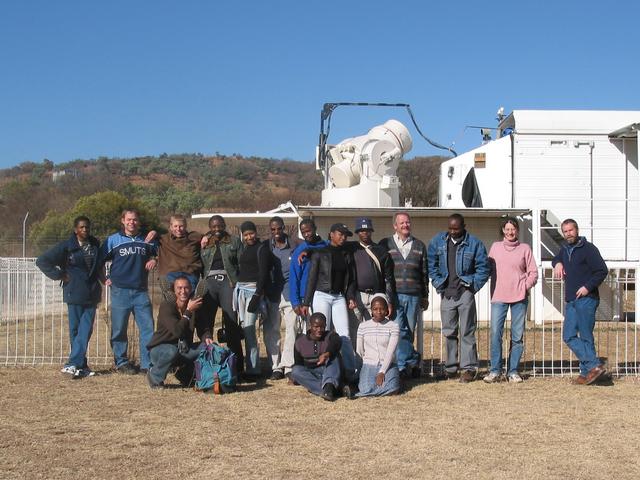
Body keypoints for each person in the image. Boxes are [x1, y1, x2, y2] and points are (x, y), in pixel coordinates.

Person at [36, 216, 102, 379]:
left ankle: (74, 364)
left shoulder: (95, 245)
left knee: (85, 330)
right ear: (75, 229)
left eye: (87, 227)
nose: (84, 230)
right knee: (75, 330)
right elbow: (42, 261)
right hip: (74, 292)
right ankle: (80, 366)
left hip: (92, 293)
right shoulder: (67, 246)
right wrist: (60, 275)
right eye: (81, 227)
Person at [428, 213, 489, 383]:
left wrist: (472, 286)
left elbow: (484, 268)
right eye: (450, 228)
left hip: (465, 293)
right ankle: (451, 368)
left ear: (464, 226)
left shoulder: (475, 243)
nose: (453, 232)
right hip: (447, 294)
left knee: (467, 332)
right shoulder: (438, 242)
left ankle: (468, 369)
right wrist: (439, 284)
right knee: (449, 333)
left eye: (456, 228)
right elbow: (431, 265)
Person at [552, 218, 608, 385]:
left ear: (577, 230)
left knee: (585, 336)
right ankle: (592, 367)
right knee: (568, 335)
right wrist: (557, 263)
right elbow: (555, 259)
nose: (568, 234)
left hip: (587, 299)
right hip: (571, 300)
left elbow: (601, 271)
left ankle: (587, 372)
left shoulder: (588, 249)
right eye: (565, 231)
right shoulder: (564, 249)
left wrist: (587, 287)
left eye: (571, 230)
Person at [102, 209, 158, 374]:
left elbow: (156, 252)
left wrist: (154, 259)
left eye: (134, 220)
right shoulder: (113, 240)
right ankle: (121, 362)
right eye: (128, 219)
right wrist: (103, 278)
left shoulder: (146, 240)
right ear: (123, 221)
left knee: (147, 328)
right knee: (119, 329)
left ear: (138, 222)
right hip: (120, 291)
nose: (131, 222)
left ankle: (146, 364)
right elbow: (99, 260)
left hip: (140, 291)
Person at [483, 217, 538, 384]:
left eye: (513, 229)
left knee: (517, 336)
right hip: (499, 296)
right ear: (502, 231)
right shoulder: (495, 247)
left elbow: (533, 272)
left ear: (517, 231)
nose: (510, 232)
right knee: (495, 334)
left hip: (519, 298)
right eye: (507, 229)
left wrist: (524, 286)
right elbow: (487, 268)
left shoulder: (525, 248)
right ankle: (495, 370)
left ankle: (513, 370)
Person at [301, 223, 358, 382]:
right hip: (321, 295)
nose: (343, 237)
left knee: (344, 334)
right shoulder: (320, 253)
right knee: (322, 332)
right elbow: (312, 278)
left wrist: (350, 296)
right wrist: (306, 302)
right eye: (340, 234)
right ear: (331, 234)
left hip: (339, 297)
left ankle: (350, 371)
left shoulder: (347, 254)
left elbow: (351, 279)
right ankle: (320, 369)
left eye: (345, 235)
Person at [379, 212, 428, 379]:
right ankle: (403, 365)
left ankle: (409, 361)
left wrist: (425, 295)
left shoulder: (420, 245)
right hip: (395, 295)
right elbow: (382, 271)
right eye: (401, 223)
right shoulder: (385, 244)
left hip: (414, 295)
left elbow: (424, 272)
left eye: (407, 222)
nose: (405, 225)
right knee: (398, 330)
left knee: (409, 331)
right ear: (395, 226)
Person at [197, 215, 244, 373]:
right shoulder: (205, 243)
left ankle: (237, 367)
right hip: (209, 283)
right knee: (206, 323)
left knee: (231, 321)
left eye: (219, 226)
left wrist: (238, 283)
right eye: (213, 226)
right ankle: (207, 364)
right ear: (210, 227)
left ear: (224, 225)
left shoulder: (234, 241)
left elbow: (241, 263)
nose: (217, 229)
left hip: (228, 281)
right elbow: (199, 265)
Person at [234, 221, 280, 378]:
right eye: (246, 234)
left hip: (253, 292)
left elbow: (263, 274)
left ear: (256, 232)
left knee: (249, 329)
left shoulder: (262, 249)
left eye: (251, 233)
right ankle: (251, 366)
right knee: (246, 330)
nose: (249, 237)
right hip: (241, 291)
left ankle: (254, 369)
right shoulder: (244, 249)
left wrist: (256, 296)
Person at [146, 276, 203, 389]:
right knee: (171, 350)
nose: (183, 291)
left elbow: (203, 326)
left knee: (206, 347)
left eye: (186, 288)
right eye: (179, 288)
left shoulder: (194, 306)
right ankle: (154, 377)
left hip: (182, 349)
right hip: (160, 350)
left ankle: (186, 376)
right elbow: (177, 331)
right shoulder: (166, 306)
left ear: (191, 289)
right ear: (173, 290)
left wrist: (207, 337)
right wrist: (188, 312)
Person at [266, 216, 301, 380]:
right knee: (272, 331)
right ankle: (275, 366)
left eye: (279, 228)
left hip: (290, 293)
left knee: (291, 329)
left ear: (283, 228)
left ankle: (288, 365)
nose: (276, 232)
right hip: (272, 293)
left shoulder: (296, 245)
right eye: (273, 229)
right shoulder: (266, 246)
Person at [349, 217, 396, 323]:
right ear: (357, 232)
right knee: (355, 330)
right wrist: (308, 250)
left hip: (376, 294)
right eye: (361, 230)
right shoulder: (351, 248)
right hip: (357, 294)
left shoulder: (381, 251)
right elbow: (331, 247)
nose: (365, 233)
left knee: (375, 329)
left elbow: (388, 278)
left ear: (371, 231)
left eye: (367, 230)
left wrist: (389, 300)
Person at [356, 294, 400, 397]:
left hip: (388, 365)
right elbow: (359, 350)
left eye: (382, 309)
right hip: (369, 364)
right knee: (365, 388)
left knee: (394, 389)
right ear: (371, 310)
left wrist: (382, 372)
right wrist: (360, 369)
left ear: (386, 309)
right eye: (375, 309)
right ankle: (371, 390)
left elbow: (390, 352)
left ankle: (365, 393)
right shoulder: (363, 326)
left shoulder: (393, 326)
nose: (379, 312)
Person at [291, 312, 342, 401]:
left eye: (322, 327)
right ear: (310, 326)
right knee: (295, 371)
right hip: (312, 373)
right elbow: (299, 364)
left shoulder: (330, 336)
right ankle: (330, 390)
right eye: (316, 327)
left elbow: (337, 342)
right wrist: (297, 378)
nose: (319, 329)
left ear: (325, 326)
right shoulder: (300, 342)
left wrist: (327, 354)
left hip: (329, 371)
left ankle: (329, 386)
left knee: (334, 357)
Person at [155, 214, 203, 296]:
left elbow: (211, 236)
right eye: (175, 226)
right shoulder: (163, 239)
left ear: (186, 226)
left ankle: (195, 295)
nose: (178, 229)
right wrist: (153, 232)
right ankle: (169, 293)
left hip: (189, 273)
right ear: (170, 226)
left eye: (181, 226)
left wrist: (206, 237)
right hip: (171, 273)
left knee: (188, 296)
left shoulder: (194, 237)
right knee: (172, 298)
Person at [289, 218, 328, 316]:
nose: (306, 234)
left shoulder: (326, 246)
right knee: (310, 329)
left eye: (308, 231)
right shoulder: (299, 251)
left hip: (324, 293)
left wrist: (310, 250)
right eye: (303, 232)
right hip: (306, 298)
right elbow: (294, 277)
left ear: (315, 229)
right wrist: (295, 302)